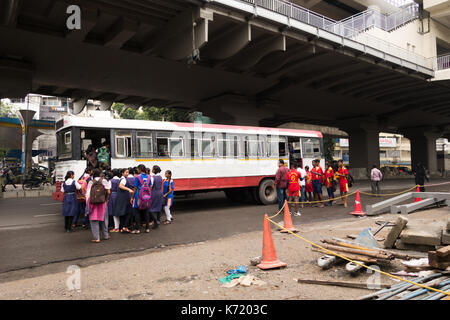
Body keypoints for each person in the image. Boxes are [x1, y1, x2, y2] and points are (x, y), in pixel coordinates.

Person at [86, 168, 111, 243]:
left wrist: (87, 203)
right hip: (102, 202)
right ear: (100, 174)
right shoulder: (104, 181)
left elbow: (87, 194)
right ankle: (106, 235)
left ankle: (97, 238)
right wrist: (106, 200)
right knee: (104, 219)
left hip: (93, 203)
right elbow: (109, 191)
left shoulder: (91, 182)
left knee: (94, 220)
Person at [112, 168, 134, 232]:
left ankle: (122, 227)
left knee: (123, 213)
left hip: (121, 198)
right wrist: (129, 189)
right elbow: (120, 186)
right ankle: (125, 227)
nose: (127, 173)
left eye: (128, 172)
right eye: (126, 172)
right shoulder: (123, 179)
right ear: (122, 173)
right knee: (128, 212)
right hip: (124, 198)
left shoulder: (121, 179)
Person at [131, 164, 150, 234]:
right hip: (146, 196)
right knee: (146, 212)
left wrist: (132, 197)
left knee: (137, 212)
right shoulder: (148, 177)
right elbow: (150, 187)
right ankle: (147, 228)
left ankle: (137, 229)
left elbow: (135, 188)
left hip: (138, 196)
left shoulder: (137, 177)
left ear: (140, 169)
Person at [148, 165, 163, 230]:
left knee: (151, 208)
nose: (151, 170)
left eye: (152, 169)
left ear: (154, 170)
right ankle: (158, 220)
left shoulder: (152, 177)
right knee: (158, 207)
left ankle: (155, 221)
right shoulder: (160, 177)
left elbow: (151, 186)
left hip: (154, 193)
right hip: (160, 192)